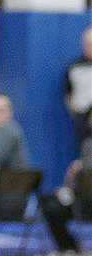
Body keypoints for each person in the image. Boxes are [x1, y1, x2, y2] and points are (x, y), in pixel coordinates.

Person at [40, 107, 92, 253]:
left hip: (86, 201)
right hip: (81, 199)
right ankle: (69, 248)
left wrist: (82, 166)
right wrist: (67, 188)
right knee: (50, 204)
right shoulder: (88, 143)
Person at [65, 26, 92, 146]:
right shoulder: (74, 67)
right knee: (86, 149)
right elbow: (68, 93)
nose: (89, 47)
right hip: (82, 119)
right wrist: (76, 113)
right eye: (87, 44)